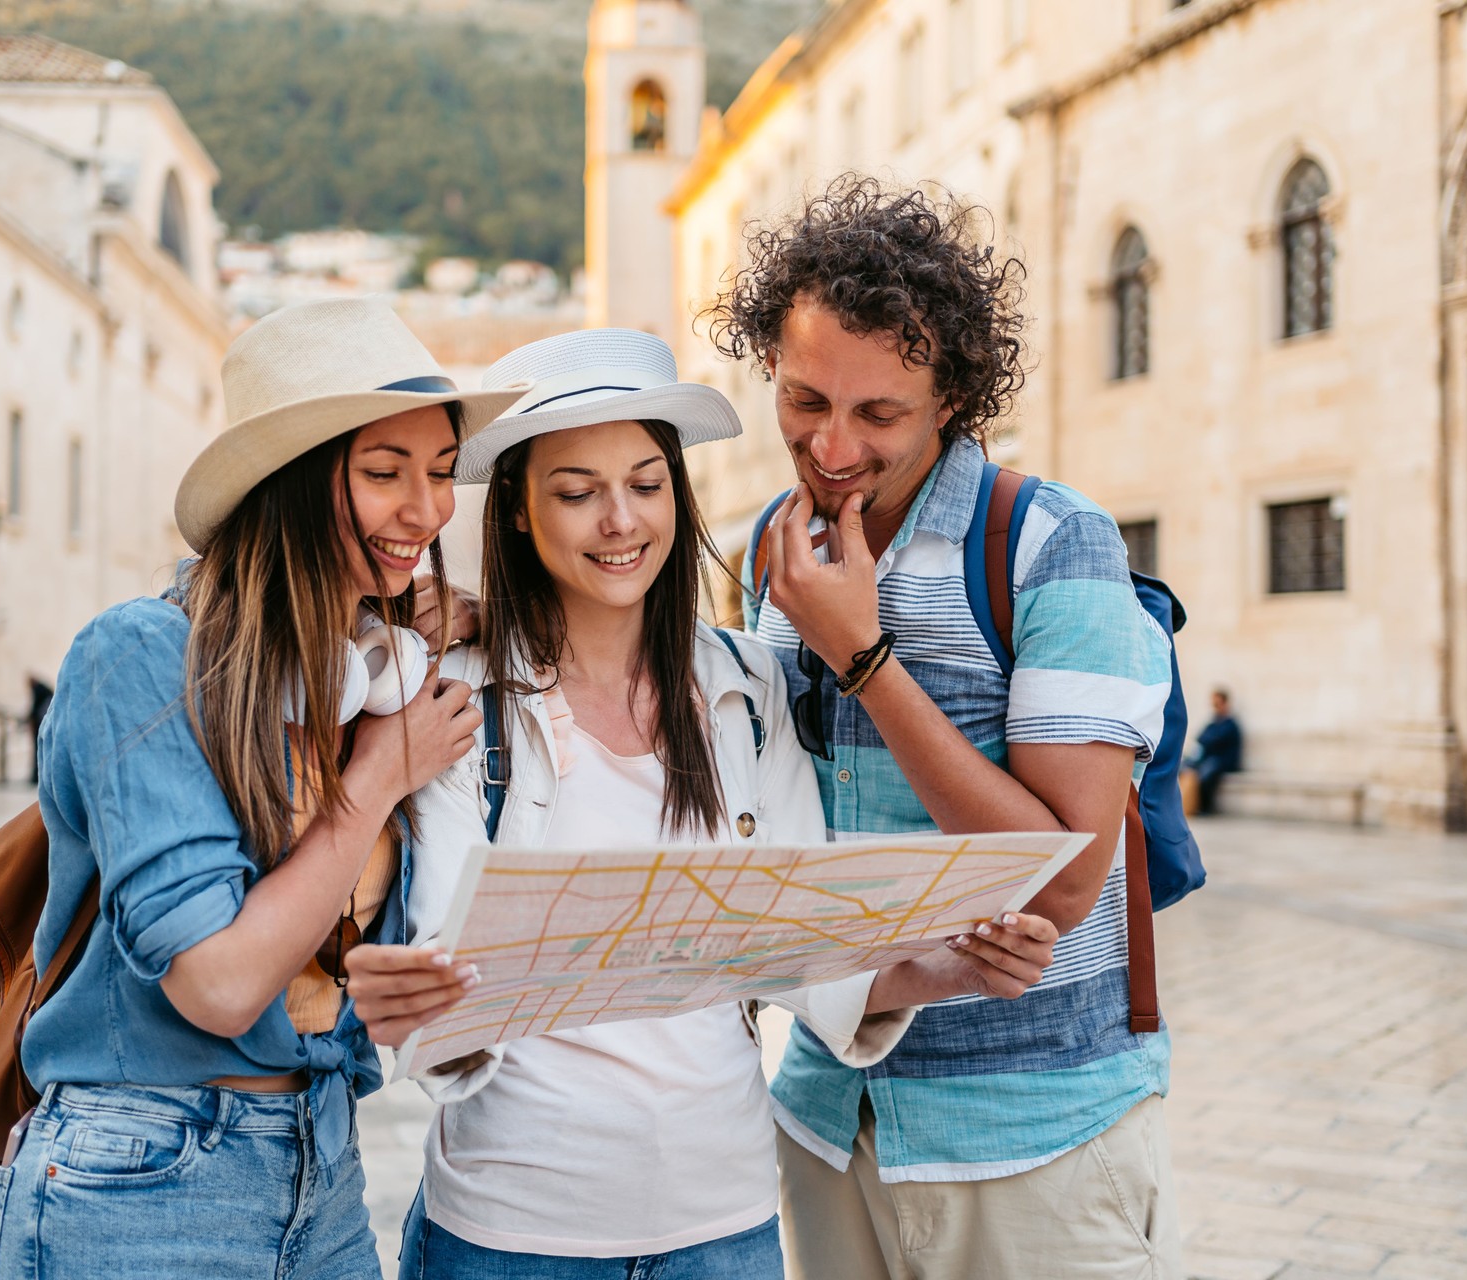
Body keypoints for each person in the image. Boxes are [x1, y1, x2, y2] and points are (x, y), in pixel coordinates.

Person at [344, 329, 1060, 1280]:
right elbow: (439, 984)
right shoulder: (451, 698)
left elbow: (809, 952)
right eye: (575, 492)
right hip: (513, 1233)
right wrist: (413, 999)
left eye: (645, 486)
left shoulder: (746, 686)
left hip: (724, 1229)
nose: (619, 522)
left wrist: (957, 967)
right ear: (516, 510)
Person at [0, 298, 525, 1280]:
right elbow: (219, 981)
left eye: (440, 473)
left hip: (325, 1163)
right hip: (143, 1178)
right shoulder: (141, 655)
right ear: (291, 482)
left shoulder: (367, 665)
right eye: (386, 472)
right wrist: (381, 772)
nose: (428, 511)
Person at [709, 178, 1180, 1278]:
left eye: (878, 414)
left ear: (953, 397)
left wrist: (864, 660)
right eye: (803, 399)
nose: (829, 446)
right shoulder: (764, 551)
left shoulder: (1054, 545)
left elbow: (1063, 882)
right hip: (829, 1116)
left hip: (1031, 1139)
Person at [1188, 688, 1243, 815]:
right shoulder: (1213, 723)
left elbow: (1215, 740)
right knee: (1186, 766)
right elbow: (1201, 738)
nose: (1215, 707)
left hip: (1224, 761)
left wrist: (1210, 740)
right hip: (1210, 759)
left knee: (1207, 772)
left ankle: (1205, 807)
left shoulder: (1230, 724)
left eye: (1217, 704)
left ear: (1225, 703)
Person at [25, 675, 53, 786]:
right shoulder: (44, 690)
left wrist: (31, 719)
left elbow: (34, 708)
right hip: (42, 724)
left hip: (40, 725)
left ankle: (36, 777)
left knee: (38, 751)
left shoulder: (39, 690)